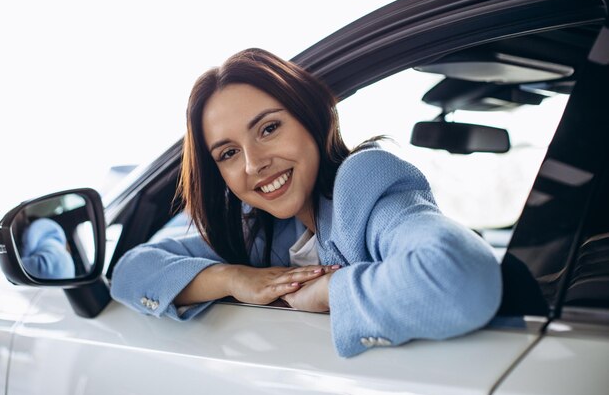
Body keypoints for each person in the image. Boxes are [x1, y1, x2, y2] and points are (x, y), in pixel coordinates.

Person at [110, 48, 502, 357]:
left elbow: (462, 279)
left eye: (268, 128)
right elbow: (131, 271)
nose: (253, 164)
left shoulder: (363, 185)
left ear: (311, 118)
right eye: (228, 154)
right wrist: (234, 278)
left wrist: (330, 291)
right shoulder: (263, 233)